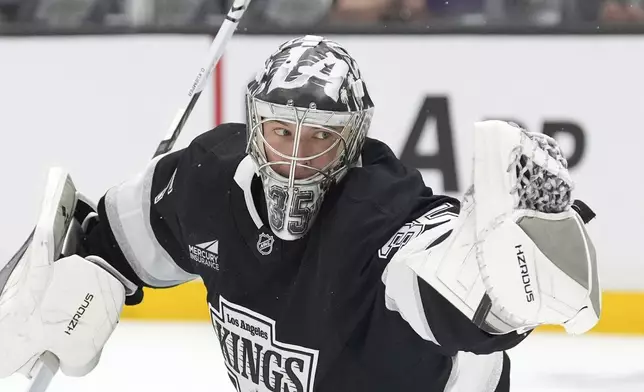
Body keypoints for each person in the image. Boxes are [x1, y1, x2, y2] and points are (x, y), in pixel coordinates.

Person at [0, 35, 600, 392]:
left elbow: (451, 293)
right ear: (255, 127)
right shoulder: (205, 178)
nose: (295, 157)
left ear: (355, 140)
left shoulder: (381, 214)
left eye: (320, 138)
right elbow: (115, 238)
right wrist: (95, 274)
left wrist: (508, 273)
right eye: (282, 131)